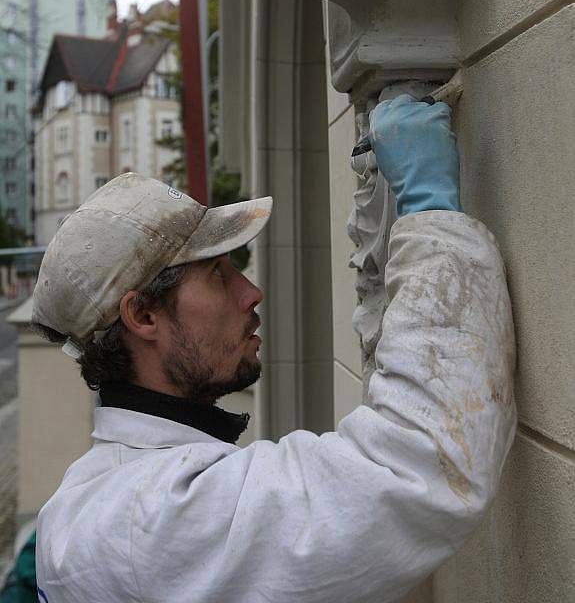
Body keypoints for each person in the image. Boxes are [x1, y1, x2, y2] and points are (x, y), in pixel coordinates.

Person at [32, 95, 516, 603]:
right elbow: (417, 466)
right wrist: (431, 211)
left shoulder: (90, 496)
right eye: (217, 275)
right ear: (144, 316)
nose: (251, 292)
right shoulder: (153, 517)